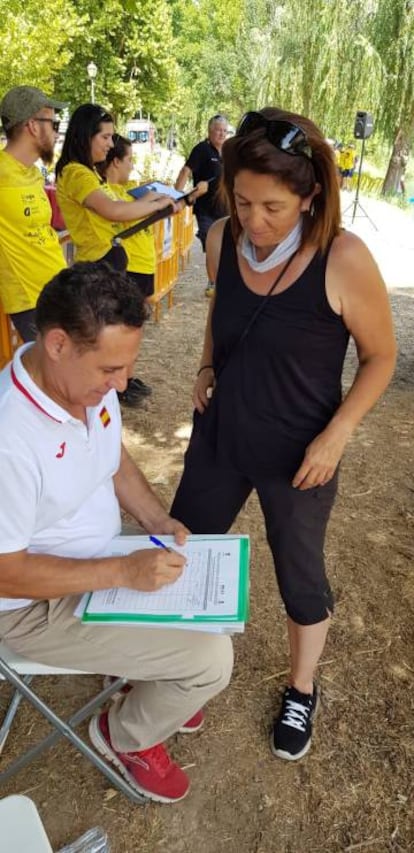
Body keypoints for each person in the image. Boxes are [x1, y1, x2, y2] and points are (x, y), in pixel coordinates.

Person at [170, 107, 396, 762]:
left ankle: (301, 687)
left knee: (300, 575)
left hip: (300, 454)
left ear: (310, 194)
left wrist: (338, 434)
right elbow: (220, 310)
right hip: (221, 435)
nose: (254, 220)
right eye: (241, 200)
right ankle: (186, 669)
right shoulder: (220, 240)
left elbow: (380, 357)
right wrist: (206, 364)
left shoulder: (344, 258)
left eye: (272, 206)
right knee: (188, 548)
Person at [0, 262, 233, 803]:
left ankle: (155, 679)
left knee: (205, 606)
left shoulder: (85, 386)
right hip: (30, 609)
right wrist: (123, 570)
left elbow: (112, 458)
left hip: (98, 562)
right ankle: (123, 734)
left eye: (127, 367)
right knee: (211, 660)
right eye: (111, 369)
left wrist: (155, 521)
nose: (121, 385)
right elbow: (6, 571)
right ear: (57, 343)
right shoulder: (10, 439)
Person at [55, 104, 174, 405]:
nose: (110, 145)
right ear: (86, 136)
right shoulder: (76, 173)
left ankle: (112, 391)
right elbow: (115, 210)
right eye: (105, 137)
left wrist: (155, 203)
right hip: (97, 265)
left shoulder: (88, 174)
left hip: (108, 262)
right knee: (98, 339)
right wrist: (156, 202)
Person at [99, 134, 206, 405]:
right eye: (129, 160)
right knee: (122, 330)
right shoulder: (110, 197)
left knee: (135, 329)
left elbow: (165, 210)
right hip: (128, 270)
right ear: (114, 162)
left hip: (144, 268)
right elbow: (131, 212)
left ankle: (127, 378)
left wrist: (190, 197)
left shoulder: (130, 191)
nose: (132, 166)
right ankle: (118, 387)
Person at [0, 85, 66, 342]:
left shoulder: (32, 173)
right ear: (33, 126)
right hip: (31, 303)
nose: (57, 133)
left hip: (58, 289)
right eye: (53, 123)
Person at [175, 114, 229, 297]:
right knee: (210, 241)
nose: (221, 134)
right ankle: (213, 281)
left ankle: (225, 280)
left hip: (226, 208)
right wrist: (175, 195)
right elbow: (186, 171)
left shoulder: (229, 152)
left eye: (224, 130)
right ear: (209, 131)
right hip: (206, 209)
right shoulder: (202, 149)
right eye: (217, 130)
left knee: (227, 245)